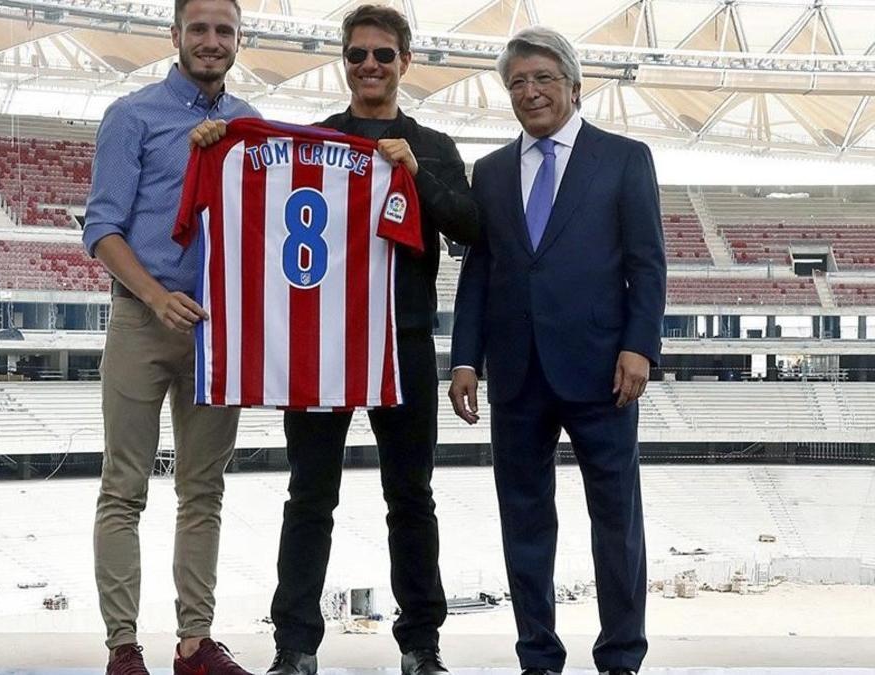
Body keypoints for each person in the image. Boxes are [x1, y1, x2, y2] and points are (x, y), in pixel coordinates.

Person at [195, 6, 478, 675]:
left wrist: (418, 173)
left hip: (404, 341)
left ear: (406, 61)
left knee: (411, 496)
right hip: (321, 341)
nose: (370, 66)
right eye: (357, 56)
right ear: (343, 63)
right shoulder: (311, 140)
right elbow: (250, 188)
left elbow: (470, 229)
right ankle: (295, 645)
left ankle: (421, 644)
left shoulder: (433, 144)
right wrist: (218, 141)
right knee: (309, 494)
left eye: (383, 55)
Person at [448, 26, 667, 675]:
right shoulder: (487, 172)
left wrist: (639, 346)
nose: (530, 91)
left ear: (574, 85)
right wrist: (465, 357)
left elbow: (647, 264)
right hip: (517, 371)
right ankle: (538, 655)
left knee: (616, 520)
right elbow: (480, 269)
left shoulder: (624, 159)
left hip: (604, 369)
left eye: (542, 77)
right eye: (517, 82)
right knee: (523, 521)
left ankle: (621, 656)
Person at [81, 2, 259, 675]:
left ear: (239, 40)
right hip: (141, 319)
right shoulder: (133, 116)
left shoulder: (250, 127)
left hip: (220, 331)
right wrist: (156, 297)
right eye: (200, 29)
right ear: (176, 35)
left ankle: (195, 641)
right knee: (123, 486)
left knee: (203, 488)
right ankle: (123, 647)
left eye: (224, 31)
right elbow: (101, 228)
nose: (211, 42)